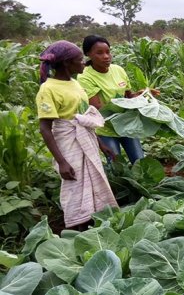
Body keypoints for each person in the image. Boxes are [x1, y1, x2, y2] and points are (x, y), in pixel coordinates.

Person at [36, 40, 118, 230]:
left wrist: (100, 144)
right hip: (68, 142)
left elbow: (82, 119)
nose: (84, 63)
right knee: (75, 185)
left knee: (93, 180)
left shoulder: (75, 83)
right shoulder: (48, 89)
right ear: (66, 63)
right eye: (80, 60)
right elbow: (45, 129)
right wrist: (62, 161)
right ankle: (75, 226)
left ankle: (92, 221)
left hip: (85, 138)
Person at [77, 35, 149, 164]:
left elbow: (128, 96)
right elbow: (99, 108)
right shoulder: (85, 77)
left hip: (126, 125)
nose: (106, 56)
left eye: (108, 52)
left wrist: (143, 94)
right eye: (99, 53)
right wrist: (130, 103)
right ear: (88, 54)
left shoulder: (118, 70)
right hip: (105, 127)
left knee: (139, 161)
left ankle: (141, 184)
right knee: (116, 165)